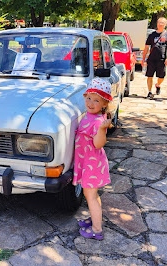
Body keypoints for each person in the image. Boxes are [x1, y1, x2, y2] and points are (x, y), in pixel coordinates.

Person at [73, 78, 112, 240]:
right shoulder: (91, 115)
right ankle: (94, 219)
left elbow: (98, 144)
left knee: (91, 197)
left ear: (104, 104)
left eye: (96, 100)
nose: (90, 102)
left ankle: (96, 229)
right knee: (93, 196)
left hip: (92, 165)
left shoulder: (97, 121)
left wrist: (102, 129)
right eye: (88, 97)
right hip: (88, 163)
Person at [142, 17, 167, 99]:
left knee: (161, 77)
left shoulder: (166, 34)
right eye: (159, 22)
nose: (160, 24)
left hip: (162, 59)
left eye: (162, 23)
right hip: (152, 59)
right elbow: (146, 48)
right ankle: (149, 92)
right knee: (149, 75)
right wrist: (143, 59)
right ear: (157, 23)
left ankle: (158, 85)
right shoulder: (152, 35)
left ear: (165, 25)